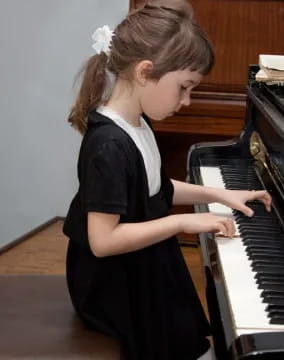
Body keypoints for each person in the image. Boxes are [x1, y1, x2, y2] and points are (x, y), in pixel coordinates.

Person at [62, 1, 271, 359]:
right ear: (145, 72)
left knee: (188, 325)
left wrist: (219, 193)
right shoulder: (108, 145)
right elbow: (103, 241)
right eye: (184, 87)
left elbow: (156, 188)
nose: (187, 101)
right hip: (111, 281)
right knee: (179, 337)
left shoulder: (138, 125)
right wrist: (183, 220)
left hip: (139, 260)